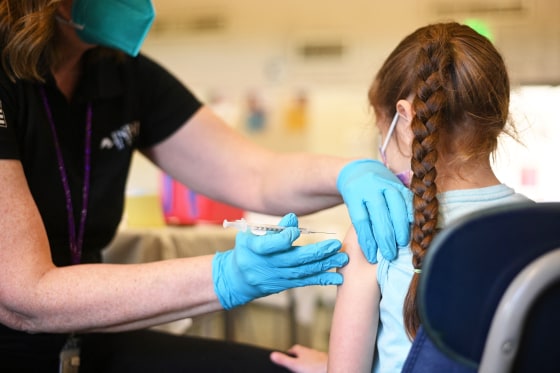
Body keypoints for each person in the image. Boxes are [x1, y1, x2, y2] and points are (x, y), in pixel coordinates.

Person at [0, 0, 413, 372]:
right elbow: (26, 297)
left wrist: (349, 173)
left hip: (87, 337)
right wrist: (228, 274)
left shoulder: (122, 75)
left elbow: (257, 174)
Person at [270, 22, 532, 373]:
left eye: (382, 127)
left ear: (406, 118)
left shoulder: (376, 233)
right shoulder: (542, 230)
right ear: (498, 117)